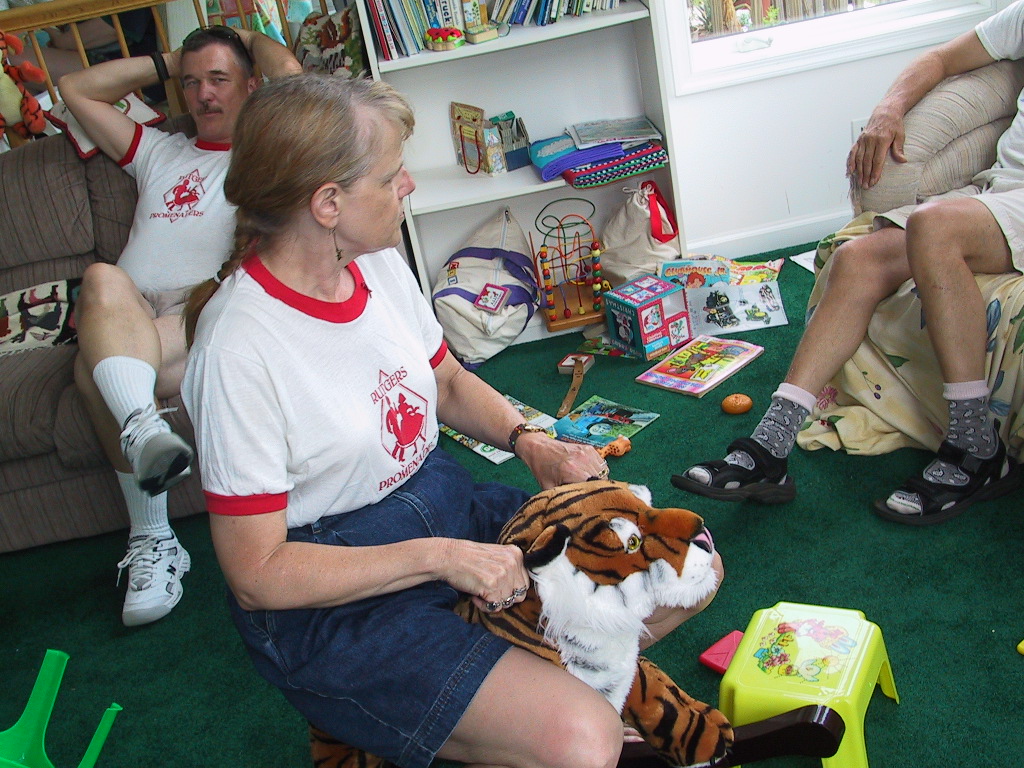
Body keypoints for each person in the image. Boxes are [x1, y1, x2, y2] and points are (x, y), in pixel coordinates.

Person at [180, 74, 724, 768]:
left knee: (693, 566)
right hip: (336, 597)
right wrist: (442, 559)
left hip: (443, 505)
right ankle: (487, 712)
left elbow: (445, 381)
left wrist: (532, 443)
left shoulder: (375, 263)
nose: (408, 185)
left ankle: (474, 707)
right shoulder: (236, 349)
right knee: (583, 742)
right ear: (328, 203)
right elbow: (257, 574)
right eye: (391, 176)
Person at [672, 1, 1024, 525]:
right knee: (858, 258)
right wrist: (889, 110)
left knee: (932, 225)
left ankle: (977, 449)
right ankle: (772, 446)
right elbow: (941, 60)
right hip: (1001, 193)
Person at [59, 25, 301, 627]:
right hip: (128, 313)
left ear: (250, 85)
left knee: (93, 374)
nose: (203, 94)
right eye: (191, 84)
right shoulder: (159, 150)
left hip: (200, 316)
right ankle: (144, 430)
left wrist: (244, 35)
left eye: (219, 79)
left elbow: (294, 80)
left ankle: (154, 538)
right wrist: (172, 60)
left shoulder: (266, 150)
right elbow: (75, 88)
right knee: (100, 278)